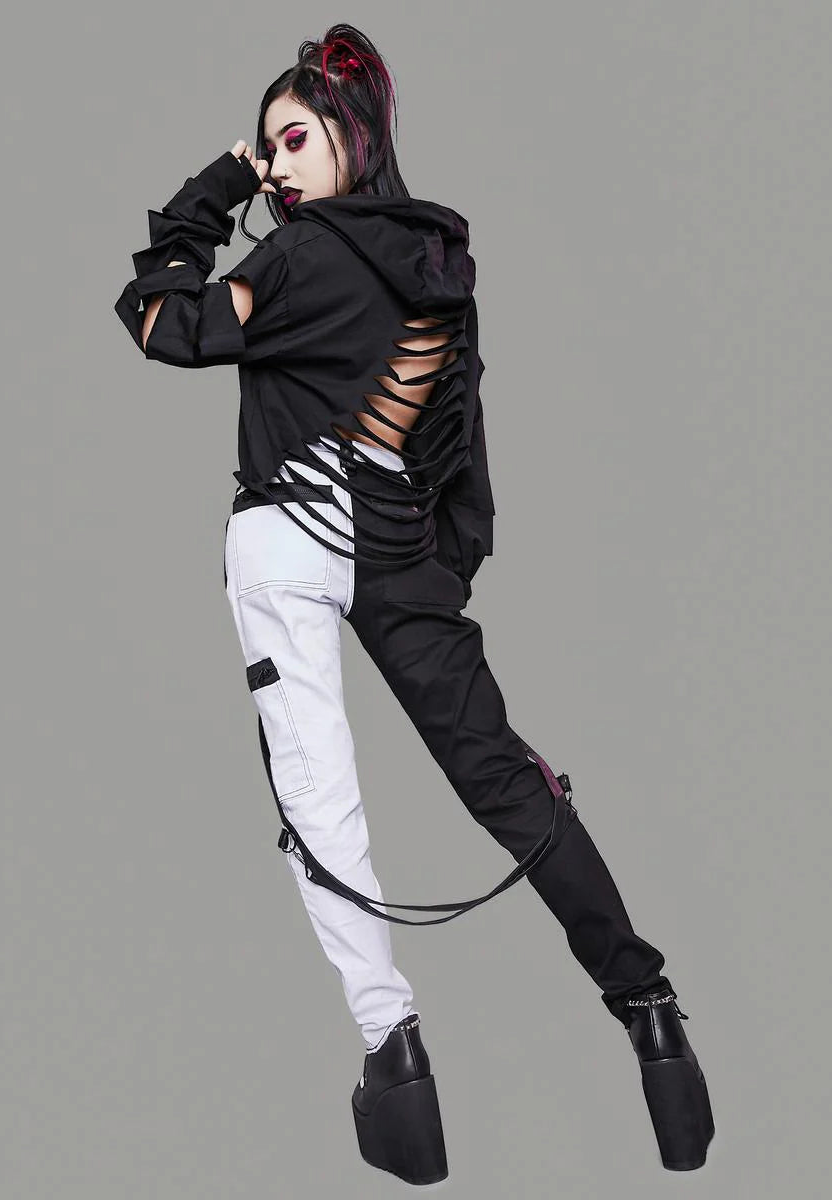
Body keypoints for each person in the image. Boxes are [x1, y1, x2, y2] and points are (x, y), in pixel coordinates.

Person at [114, 22, 714, 1185]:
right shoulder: (440, 270)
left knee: (321, 802)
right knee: (507, 779)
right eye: (266, 150)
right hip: (399, 549)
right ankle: (649, 1010)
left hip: (289, 532)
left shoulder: (297, 259)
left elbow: (161, 319)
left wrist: (217, 185)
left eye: (293, 140)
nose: (276, 166)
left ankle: (395, 1058)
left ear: (351, 136)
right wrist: (436, 575)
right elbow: (463, 450)